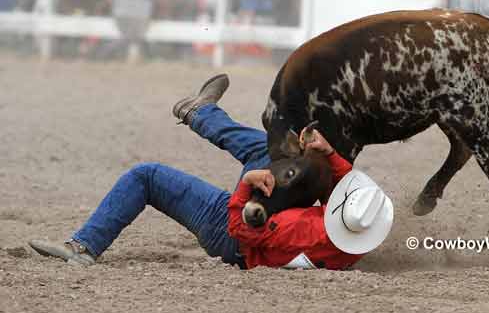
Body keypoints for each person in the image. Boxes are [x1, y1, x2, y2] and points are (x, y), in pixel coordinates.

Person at [29, 75, 393, 270]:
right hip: (270, 224)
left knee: (146, 176)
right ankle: (198, 111)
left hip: (231, 235)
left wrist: (245, 188)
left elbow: (244, 228)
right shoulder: (353, 236)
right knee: (260, 150)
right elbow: (340, 193)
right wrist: (328, 155)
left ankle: (83, 247)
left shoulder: (300, 230)